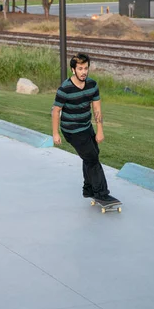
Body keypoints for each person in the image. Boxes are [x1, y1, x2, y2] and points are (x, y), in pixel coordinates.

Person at [51, 52, 116, 203]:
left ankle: (88, 189)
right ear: (73, 70)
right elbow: (56, 111)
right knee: (92, 158)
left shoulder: (92, 85)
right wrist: (55, 133)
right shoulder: (65, 88)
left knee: (92, 155)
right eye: (80, 68)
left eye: (86, 68)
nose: (84, 72)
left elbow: (97, 109)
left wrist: (100, 130)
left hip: (85, 126)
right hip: (71, 129)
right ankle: (101, 193)